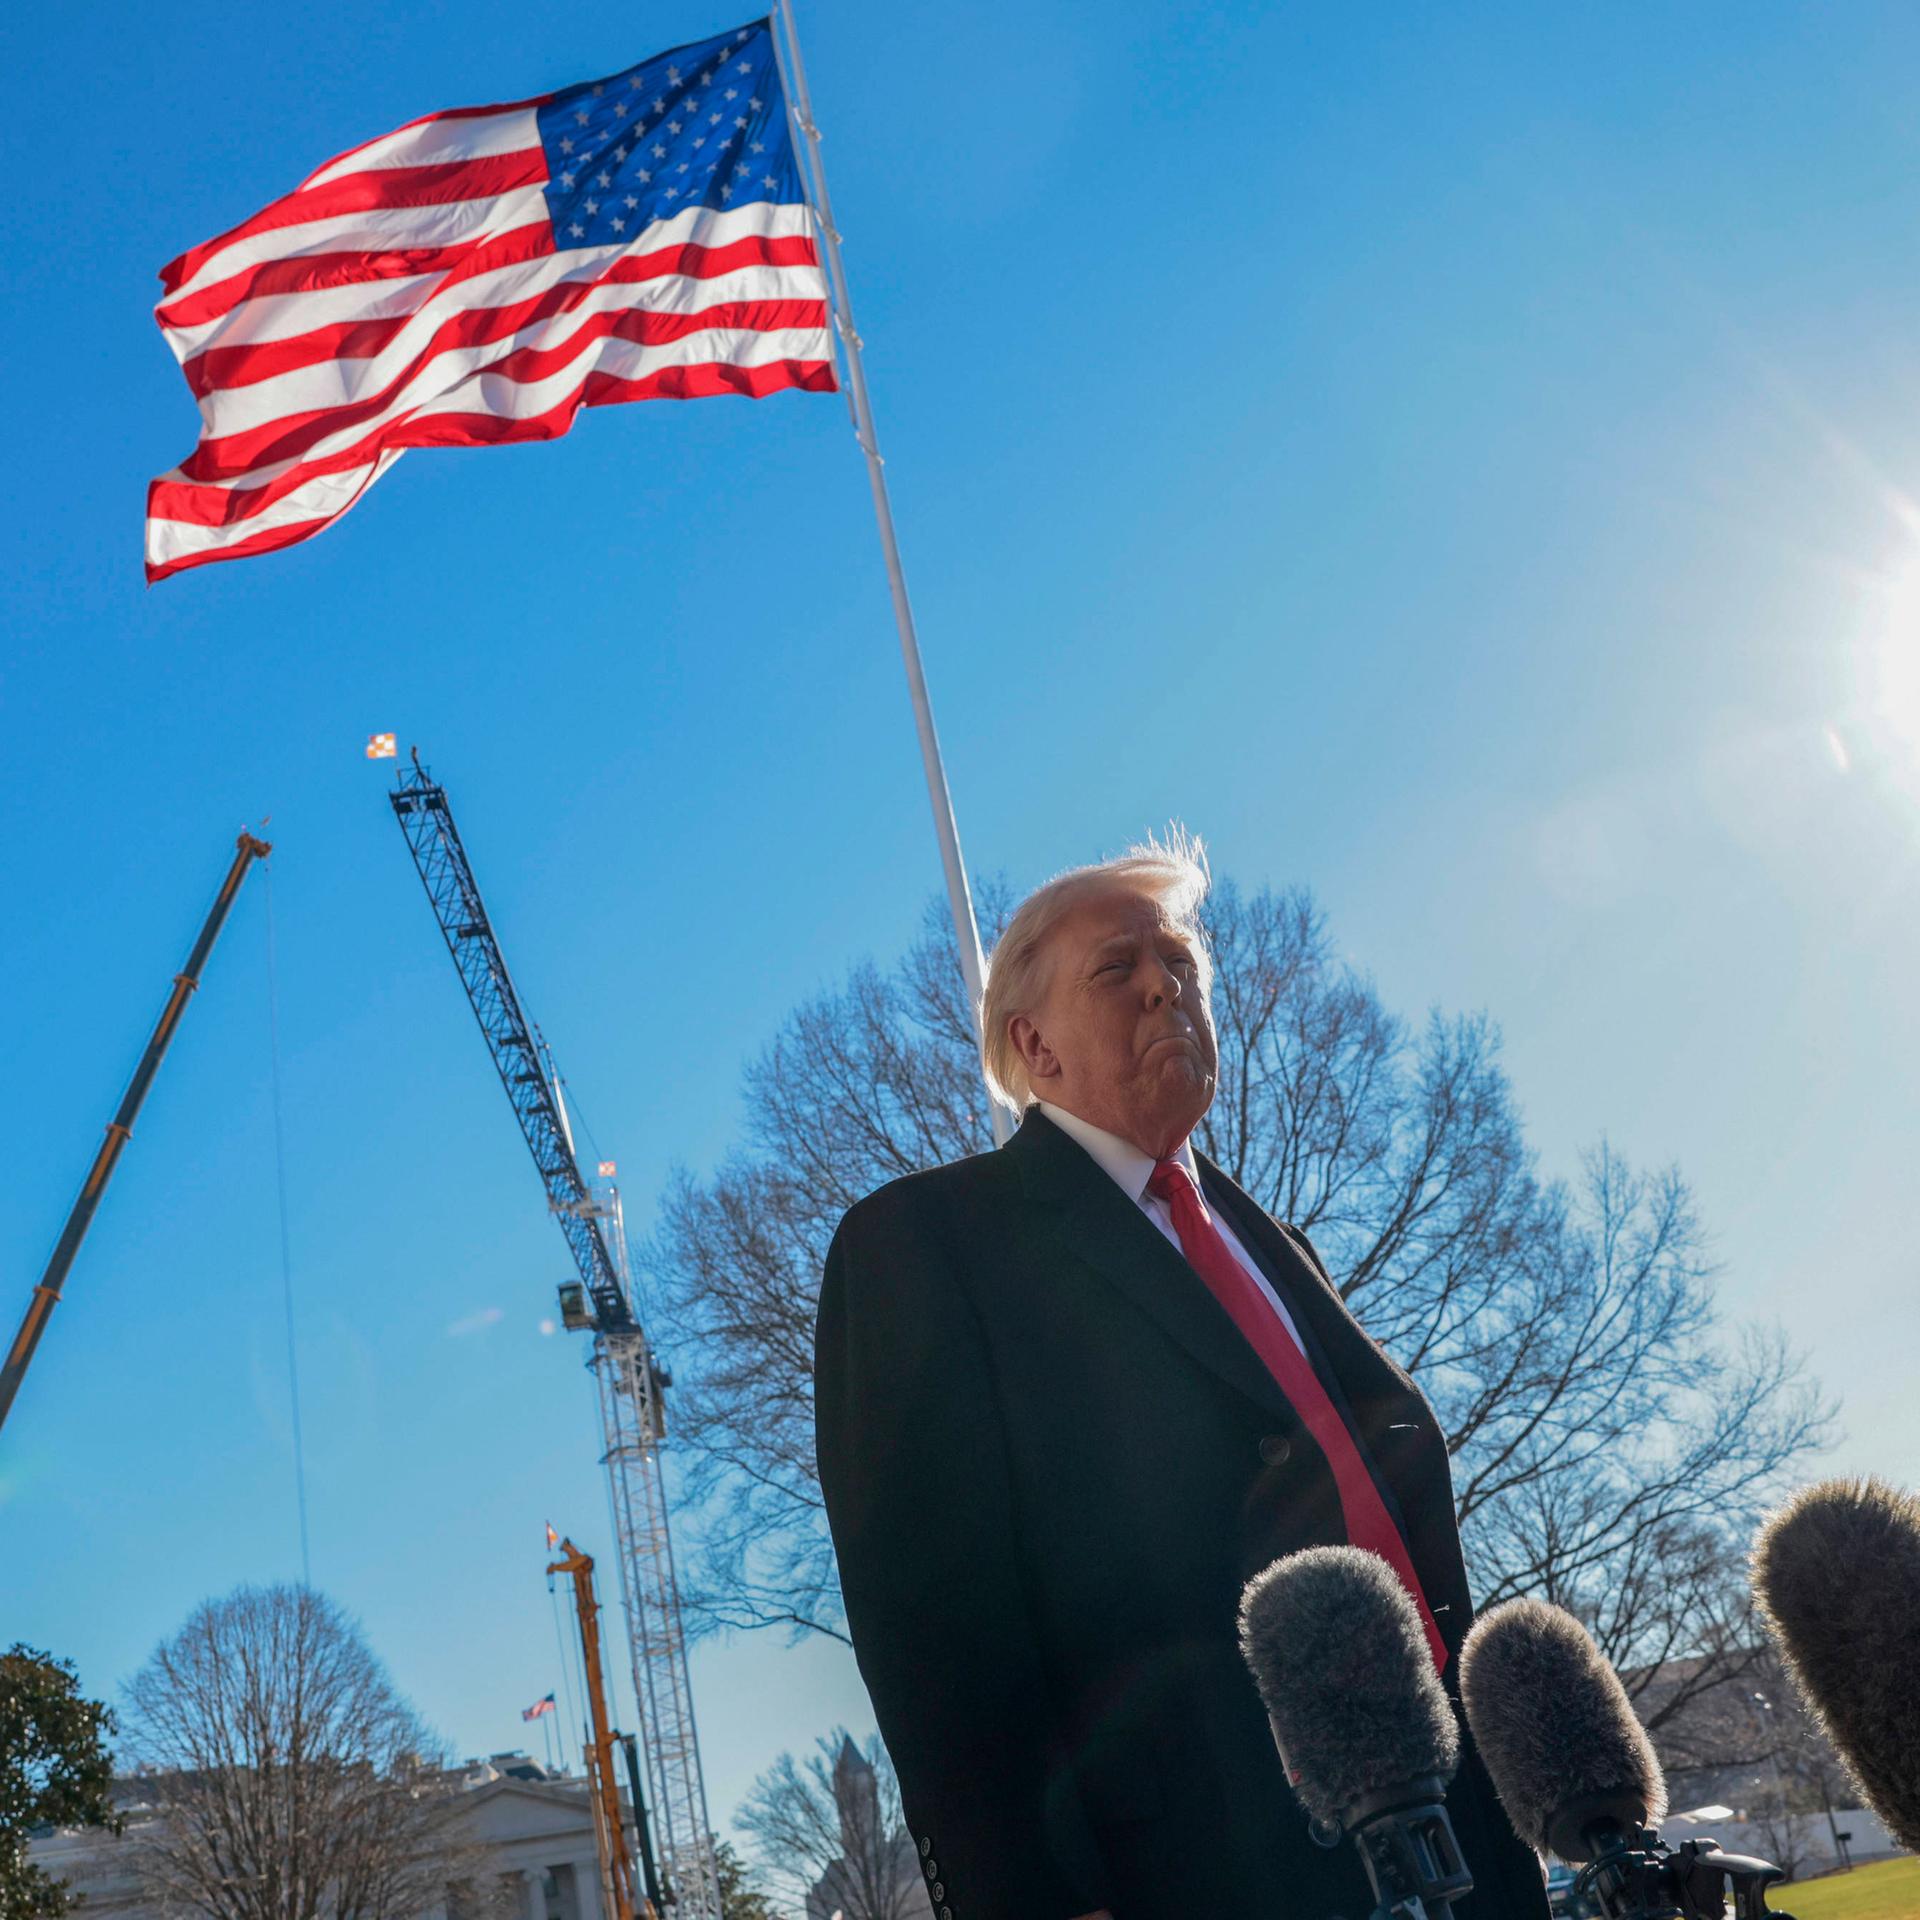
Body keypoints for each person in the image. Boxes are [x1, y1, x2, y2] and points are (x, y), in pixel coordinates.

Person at [814, 834, 1552, 1920]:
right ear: (1035, 1046)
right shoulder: (923, 1248)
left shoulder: (1276, 1243)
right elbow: (934, 1630)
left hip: (1456, 1840)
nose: (1167, 984)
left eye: (1183, 964)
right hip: (1205, 1872)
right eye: (1118, 970)